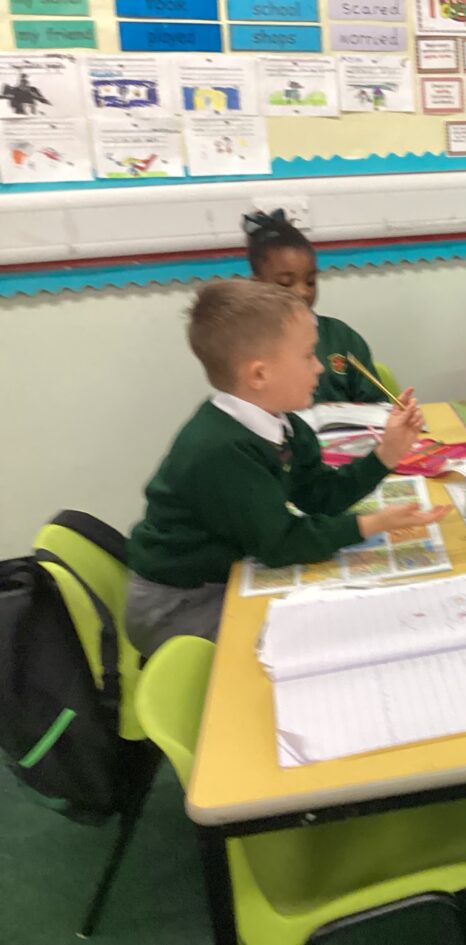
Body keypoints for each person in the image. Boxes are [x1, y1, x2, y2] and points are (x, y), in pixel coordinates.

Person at [125, 280, 449, 658]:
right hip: (176, 606)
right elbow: (281, 545)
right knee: (311, 643)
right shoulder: (221, 450)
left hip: (226, 573)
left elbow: (318, 496)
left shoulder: (284, 424)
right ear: (259, 375)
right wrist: (371, 524)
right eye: (309, 355)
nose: (320, 367)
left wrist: (385, 456)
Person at [243, 209, 383, 404]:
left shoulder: (341, 337)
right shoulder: (246, 344)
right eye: (285, 283)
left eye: (310, 281)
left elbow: (375, 403)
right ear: (258, 285)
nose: (302, 292)